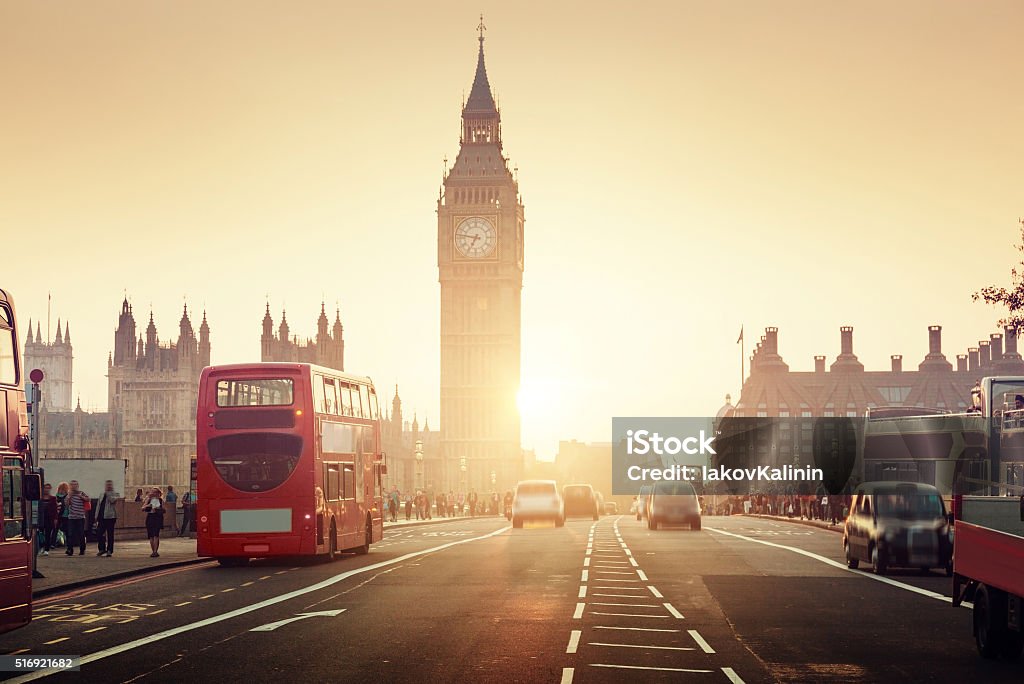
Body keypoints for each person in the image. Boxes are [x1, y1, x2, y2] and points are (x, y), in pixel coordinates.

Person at [64, 480, 89, 556]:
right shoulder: (69, 494)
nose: (74, 486)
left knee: (81, 534)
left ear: (77, 486)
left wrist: (81, 497)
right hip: (71, 517)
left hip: (80, 517)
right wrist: (69, 497)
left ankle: (82, 549)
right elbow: (66, 504)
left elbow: (88, 499)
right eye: (72, 485)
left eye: (75, 485)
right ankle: (70, 549)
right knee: (70, 534)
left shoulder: (81, 493)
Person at [95, 480, 120, 557]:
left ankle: (109, 550)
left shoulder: (115, 494)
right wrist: (96, 515)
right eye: (107, 485)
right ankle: (102, 549)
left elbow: (112, 501)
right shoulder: (102, 494)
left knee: (110, 534)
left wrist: (108, 493)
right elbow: (98, 505)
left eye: (110, 485)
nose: (108, 486)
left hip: (110, 517)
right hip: (102, 516)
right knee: (99, 533)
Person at [142, 487, 165, 557]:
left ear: (158, 493)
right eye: (153, 492)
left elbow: (164, 509)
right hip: (150, 517)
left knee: (156, 534)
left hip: (157, 517)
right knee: (151, 535)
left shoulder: (161, 500)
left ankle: (155, 551)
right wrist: (148, 505)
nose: (154, 494)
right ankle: (153, 551)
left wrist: (159, 509)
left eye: (156, 492)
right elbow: (142, 508)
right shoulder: (148, 500)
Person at [39, 484, 58, 555]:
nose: (46, 490)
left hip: (49, 518)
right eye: (45, 488)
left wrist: (55, 519)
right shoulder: (40, 498)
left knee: (48, 533)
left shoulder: (53, 498)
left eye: (48, 488)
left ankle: (47, 549)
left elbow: (55, 509)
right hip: (41, 518)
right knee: (40, 534)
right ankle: (41, 546)